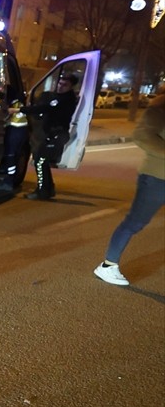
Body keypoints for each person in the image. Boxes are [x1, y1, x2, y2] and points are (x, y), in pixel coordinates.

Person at [94, 88, 165, 285]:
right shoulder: (159, 109)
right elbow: (143, 136)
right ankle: (108, 266)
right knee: (135, 222)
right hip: (157, 178)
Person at [25, 72, 79, 201]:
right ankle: (48, 189)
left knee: (40, 161)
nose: (61, 87)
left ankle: (42, 191)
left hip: (56, 134)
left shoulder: (65, 99)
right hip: (53, 134)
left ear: (71, 86)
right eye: (60, 83)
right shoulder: (61, 97)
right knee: (42, 162)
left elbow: (45, 108)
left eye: (65, 85)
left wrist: (21, 110)